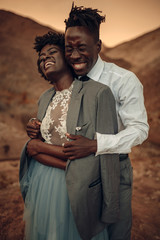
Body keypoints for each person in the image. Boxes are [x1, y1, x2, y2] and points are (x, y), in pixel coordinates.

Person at [26, 4, 149, 240]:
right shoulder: (70, 79)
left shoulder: (123, 80)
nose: (74, 55)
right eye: (68, 49)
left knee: (115, 232)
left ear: (98, 46)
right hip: (75, 172)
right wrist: (38, 124)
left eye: (81, 48)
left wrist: (95, 145)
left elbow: (140, 130)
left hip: (113, 168)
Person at [20, 31, 120, 240]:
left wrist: (111, 203)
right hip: (44, 182)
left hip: (80, 186)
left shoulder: (98, 93)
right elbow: (35, 146)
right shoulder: (45, 98)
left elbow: (105, 151)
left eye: (51, 53)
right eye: (41, 58)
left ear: (67, 56)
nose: (44, 59)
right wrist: (36, 136)